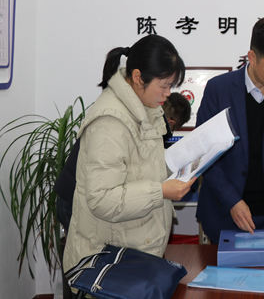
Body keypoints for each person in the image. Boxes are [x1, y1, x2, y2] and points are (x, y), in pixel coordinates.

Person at [62, 34, 196, 271]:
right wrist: (161, 191)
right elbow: (102, 199)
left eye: (171, 86)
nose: (168, 94)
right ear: (137, 77)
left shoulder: (147, 108)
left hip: (133, 251)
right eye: (164, 86)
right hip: (109, 262)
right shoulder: (110, 122)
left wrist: (182, 165)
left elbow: (143, 166)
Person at [195, 16, 264, 244]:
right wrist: (232, 201)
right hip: (224, 211)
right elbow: (204, 152)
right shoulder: (218, 90)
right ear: (252, 57)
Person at [55, 92, 192, 231]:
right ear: (171, 122)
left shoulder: (135, 113)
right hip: (78, 201)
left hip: (74, 193)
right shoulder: (146, 126)